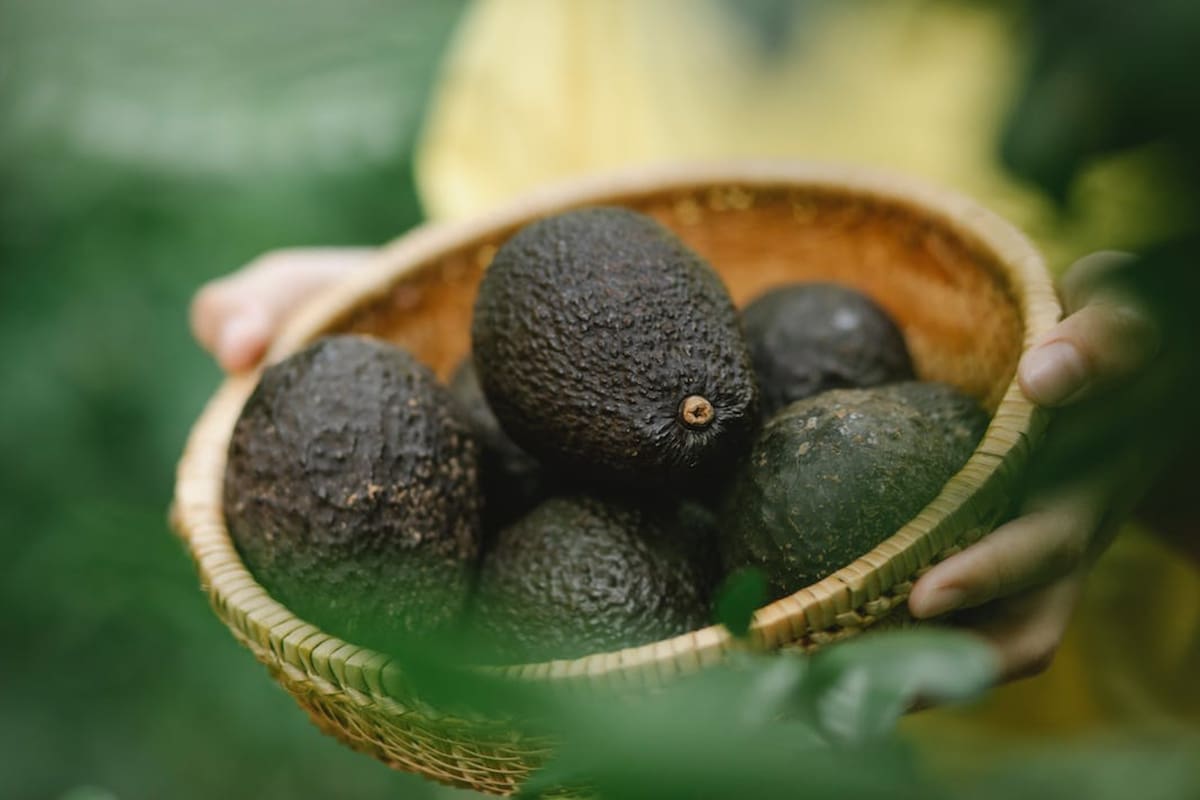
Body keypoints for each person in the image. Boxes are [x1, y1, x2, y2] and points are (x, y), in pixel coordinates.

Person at [190, 0, 1198, 723]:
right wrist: (377, 321)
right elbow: (512, 300)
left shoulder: (1142, 46)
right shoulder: (564, 26)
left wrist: (1155, 436)